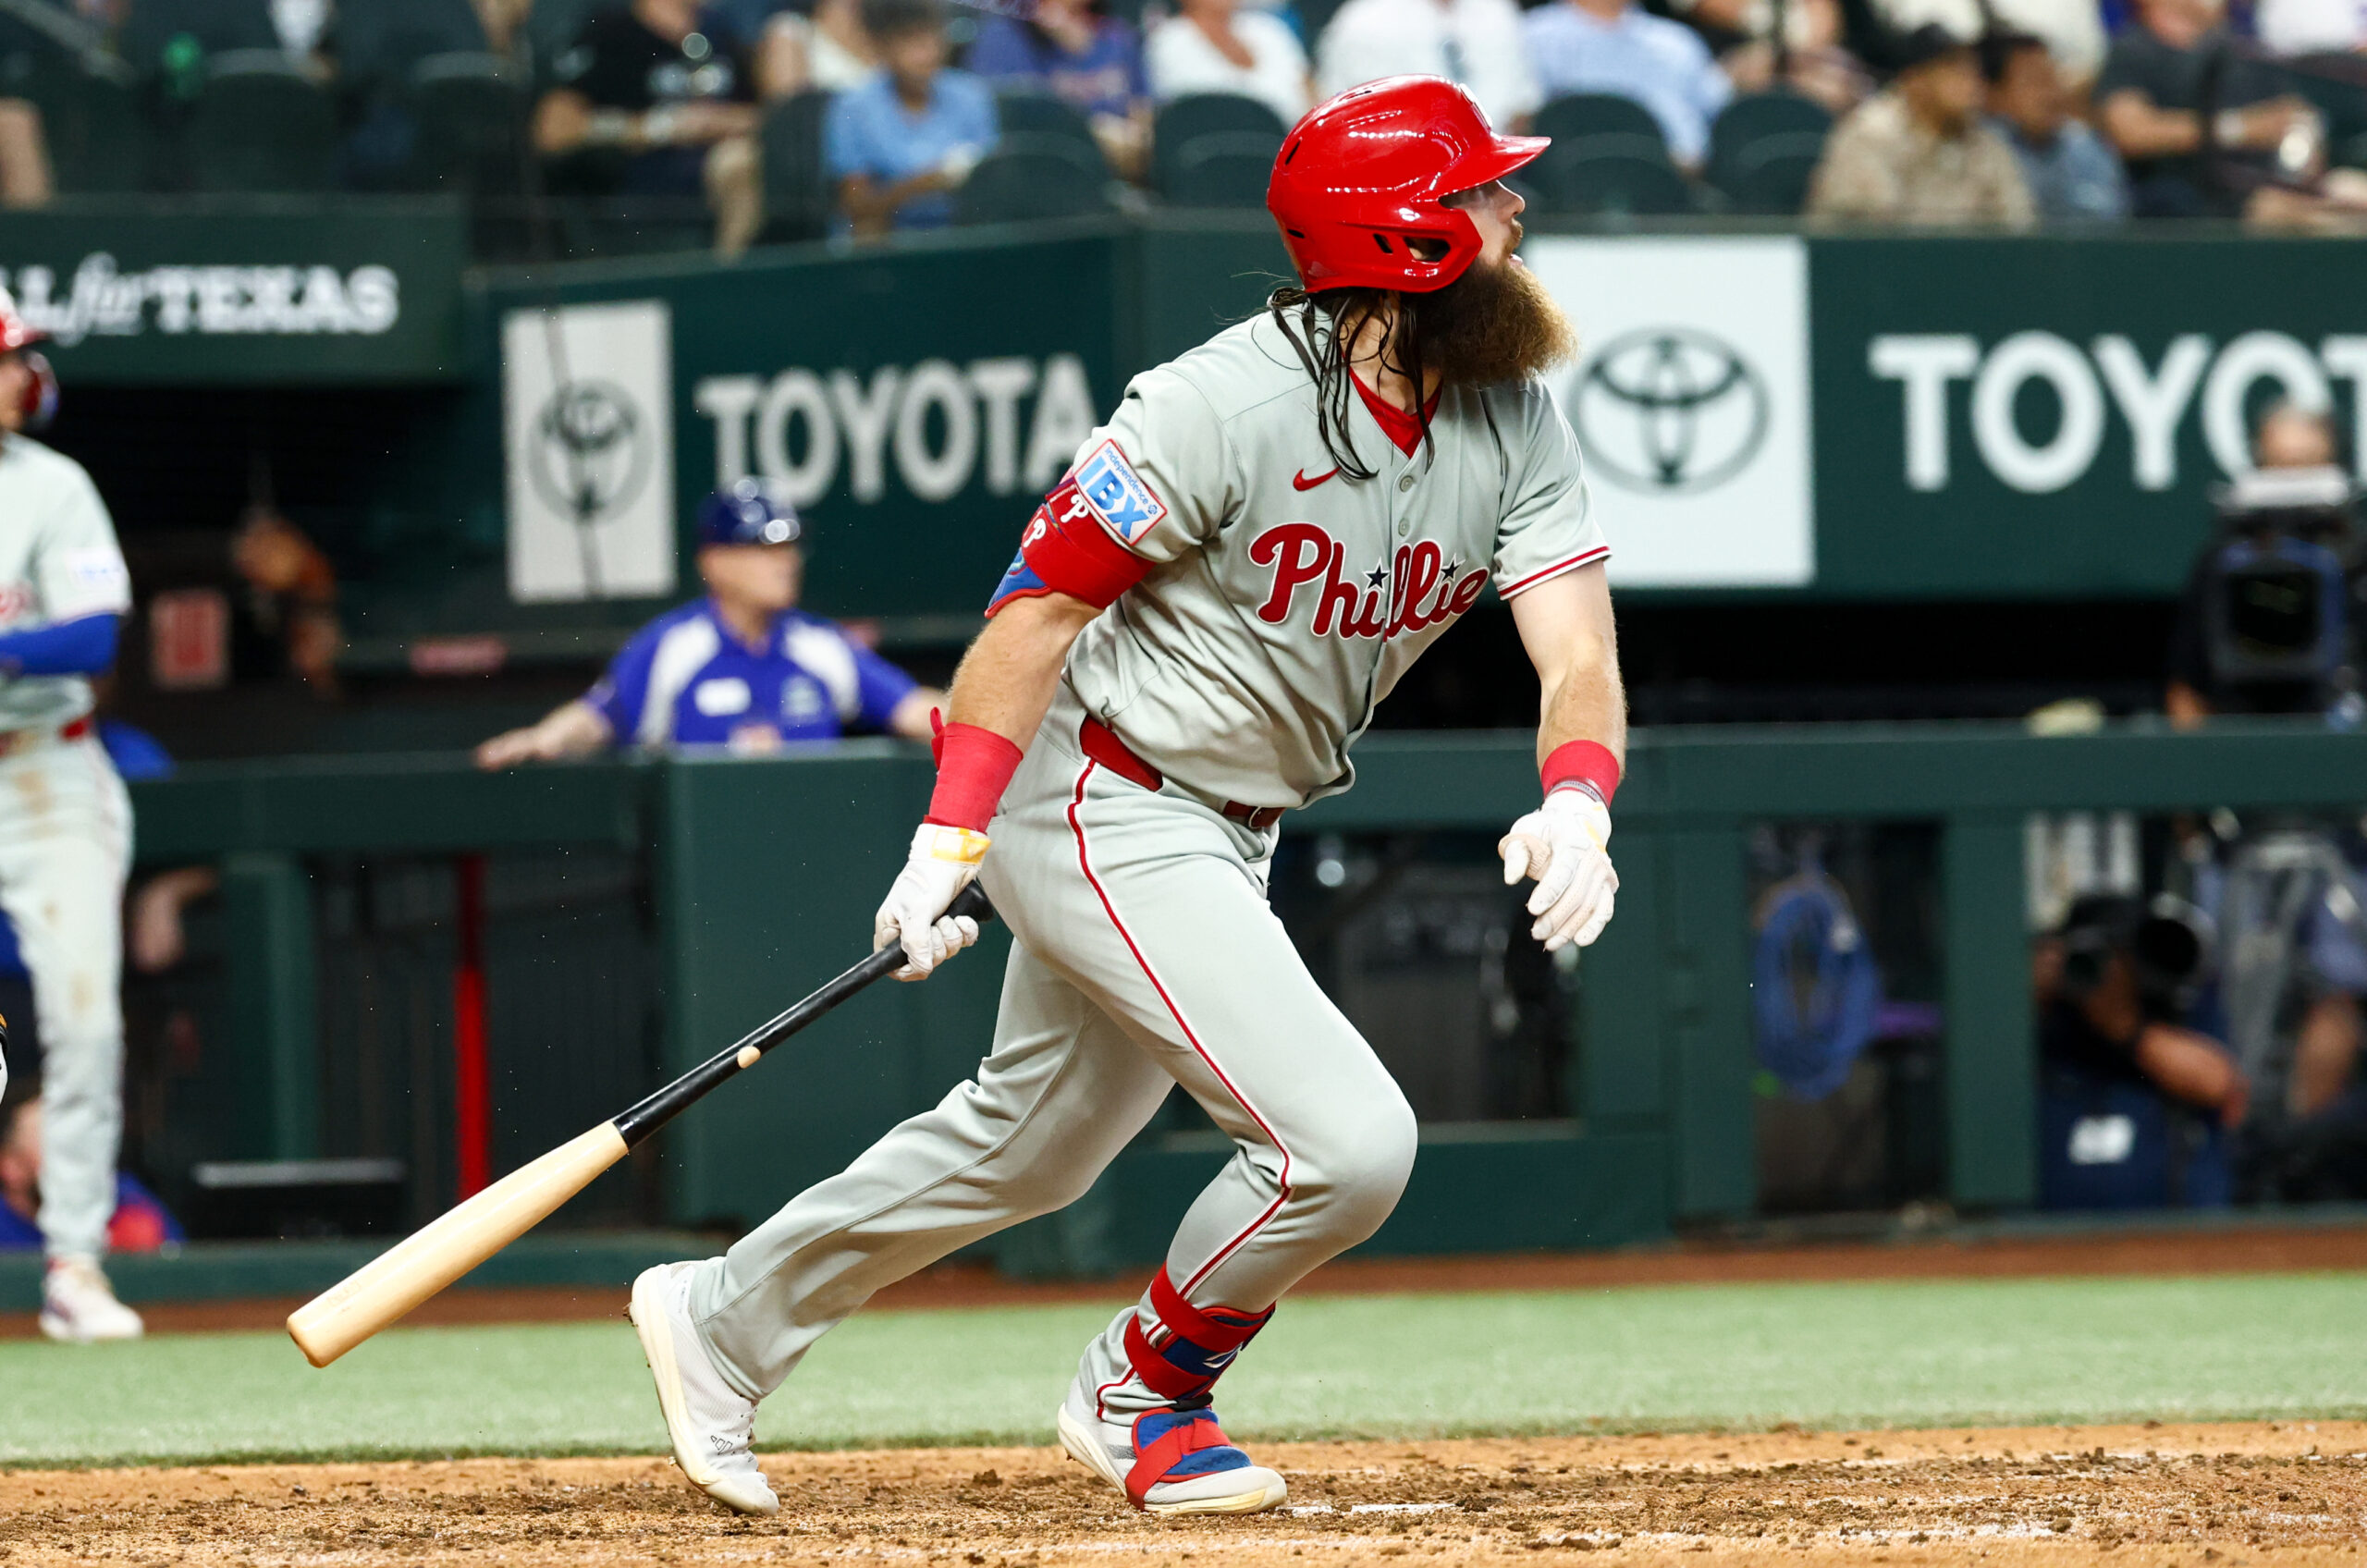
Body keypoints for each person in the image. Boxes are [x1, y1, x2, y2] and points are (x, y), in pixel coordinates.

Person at [623, 76, 1624, 1518]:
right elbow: (1030, 614)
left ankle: (722, 1320)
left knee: (1031, 1146)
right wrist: (947, 838)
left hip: (1229, 821)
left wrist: (1579, 794)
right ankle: (1144, 1387)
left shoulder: (1513, 419)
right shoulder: (1221, 401)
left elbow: (1578, 650)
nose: (1513, 211)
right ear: (1408, 243)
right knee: (1344, 1147)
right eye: (1482, 193)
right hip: (1104, 794)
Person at [0, 292, 140, 1342]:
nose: (21, 374)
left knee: (85, 1021)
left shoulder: (53, 484)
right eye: (6, 356)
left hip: (44, 773)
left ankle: (75, 1263)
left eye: (22, 356)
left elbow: (92, 637)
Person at [477, 484, 941, 767]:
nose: (785, 562)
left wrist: (998, 719)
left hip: (811, 854)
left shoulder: (819, 646)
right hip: (703, 866)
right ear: (714, 562)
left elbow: (914, 710)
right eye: (762, 549)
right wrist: (544, 739)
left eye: (789, 548)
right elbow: (598, 717)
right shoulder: (673, 647)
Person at [533, 0, 766, 257]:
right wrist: (658, 127)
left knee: (741, 161)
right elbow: (553, 130)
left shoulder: (719, 29)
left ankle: (731, 276)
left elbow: (768, 114)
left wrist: (716, 122)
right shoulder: (610, 31)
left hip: (722, 171)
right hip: (640, 185)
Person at [2093, 0, 2332, 220]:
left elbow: (2298, 119)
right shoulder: (2134, 50)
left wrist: (2301, 157)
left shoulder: (2246, 52)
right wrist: (2240, 129)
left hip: (2268, 186)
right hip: (2183, 196)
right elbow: (2131, 132)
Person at [1807, 24, 2036, 226]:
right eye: (1953, 69)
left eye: (1972, 70)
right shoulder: (1872, 134)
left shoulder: (1982, 139)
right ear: (1915, 80)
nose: (1970, 82)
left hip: (1961, 268)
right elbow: (1880, 235)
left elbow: (2018, 223)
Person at [825, 0, 998, 237]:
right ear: (883, 47)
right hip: (889, 239)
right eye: (911, 42)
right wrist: (921, 185)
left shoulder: (971, 95)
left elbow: (994, 183)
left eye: (933, 38)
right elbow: (856, 208)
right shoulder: (854, 107)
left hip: (959, 234)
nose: (928, 54)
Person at [1521, 0, 1735, 168]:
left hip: (1680, 195)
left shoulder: (1677, 41)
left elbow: (1724, 119)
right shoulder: (1532, 36)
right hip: (1570, 198)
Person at [966, 0, 1151, 179]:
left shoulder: (1116, 32)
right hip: (1043, 173)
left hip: (1120, 171)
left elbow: (1141, 106)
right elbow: (1019, 117)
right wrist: (1096, 133)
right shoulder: (1004, 35)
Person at [1315, 0, 1540, 133]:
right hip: (1403, 177)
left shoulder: (1498, 10)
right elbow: (1355, 122)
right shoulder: (1362, 22)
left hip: (1499, 168)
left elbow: (1523, 105)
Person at [0, 1096, 182, 1255]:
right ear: (10, 1166)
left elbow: (180, 1274)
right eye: (58, 1144)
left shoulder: (122, 1196)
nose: (76, 1153)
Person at [1985, 31, 2129, 223]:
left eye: (2051, 79)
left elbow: (2114, 219)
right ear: (1995, 95)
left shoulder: (2083, 145)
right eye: (2033, 83)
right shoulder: (1981, 148)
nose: (2050, 95)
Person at [1145, 0, 1315, 129]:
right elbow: (1195, 115)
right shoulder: (1169, 41)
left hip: (1299, 150)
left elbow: (1311, 96)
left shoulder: (1271, 29)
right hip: (1222, 157)